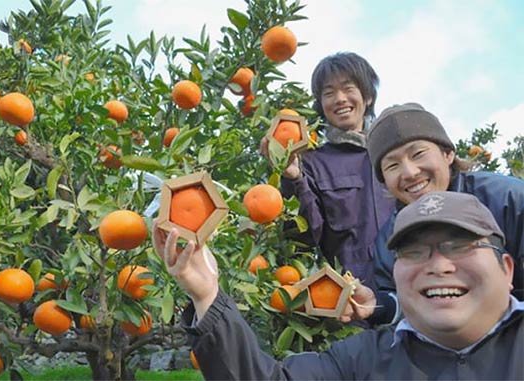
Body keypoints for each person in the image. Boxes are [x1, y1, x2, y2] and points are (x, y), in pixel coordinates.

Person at [152, 191, 524, 380]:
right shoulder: (362, 361)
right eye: (414, 252)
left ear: (506, 269)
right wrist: (206, 295)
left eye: (458, 246)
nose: (439, 264)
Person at [348, 102, 524, 325]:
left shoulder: (510, 200)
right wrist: (378, 305)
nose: (410, 172)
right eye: (392, 166)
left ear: (448, 154)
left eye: (418, 154)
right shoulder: (389, 239)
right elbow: (404, 303)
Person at [262, 52, 395, 287]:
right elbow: (300, 240)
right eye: (329, 93)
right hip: (353, 297)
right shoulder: (312, 163)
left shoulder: (393, 151)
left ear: (368, 97)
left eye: (348, 88)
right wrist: (293, 178)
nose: (340, 99)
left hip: (414, 288)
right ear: (321, 106)